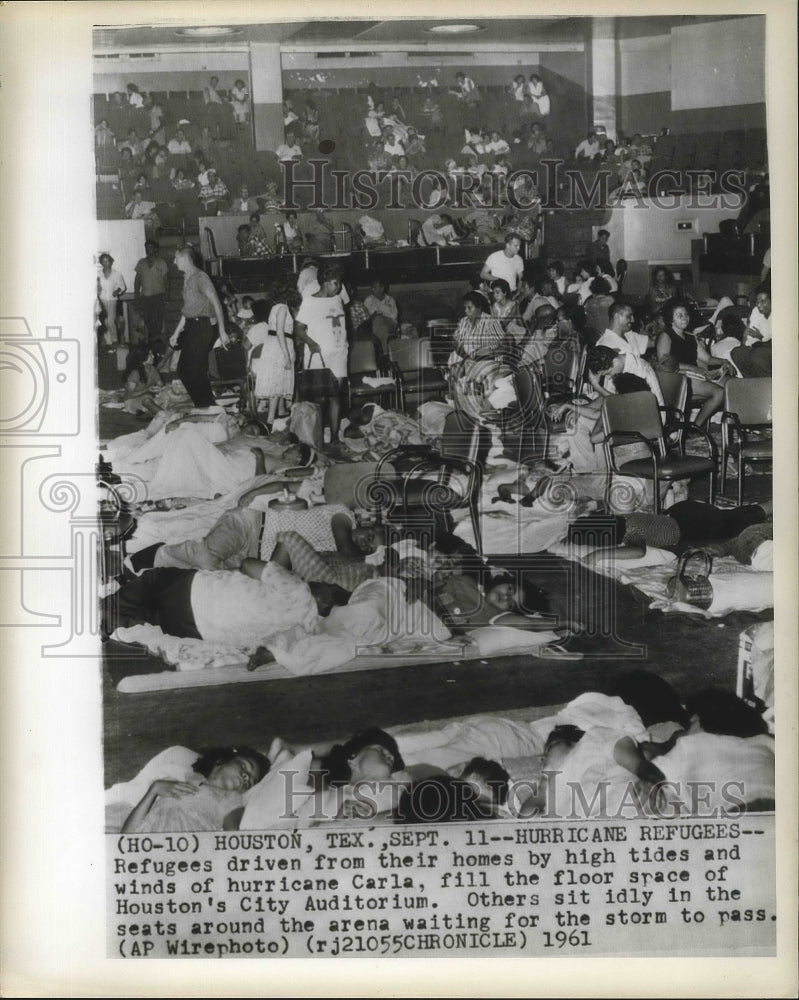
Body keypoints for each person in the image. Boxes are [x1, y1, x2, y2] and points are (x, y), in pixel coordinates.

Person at [121, 746, 270, 834]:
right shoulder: (173, 782)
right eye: (244, 766)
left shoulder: (231, 797)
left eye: (250, 781)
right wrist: (153, 790)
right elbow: (125, 838)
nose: (246, 776)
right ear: (221, 762)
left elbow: (233, 838)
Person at [169, 245, 230, 408]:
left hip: (202, 327)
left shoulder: (201, 277)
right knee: (183, 370)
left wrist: (223, 331)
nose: (174, 263)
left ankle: (207, 406)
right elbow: (188, 309)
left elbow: (217, 303)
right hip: (192, 326)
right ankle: (204, 405)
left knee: (194, 371)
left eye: (176, 259)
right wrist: (176, 332)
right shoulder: (187, 278)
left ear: (183, 258)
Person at [294, 262, 349, 439]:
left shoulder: (338, 299)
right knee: (319, 399)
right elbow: (298, 328)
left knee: (335, 396)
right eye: (335, 283)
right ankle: (316, 437)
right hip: (319, 356)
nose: (339, 287)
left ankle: (334, 438)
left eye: (340, 283)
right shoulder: (310, 302)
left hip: (339, 354)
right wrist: (310, 342)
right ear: (325, 282)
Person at [656, 299, 724, 426]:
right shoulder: (666, 336)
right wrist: (694, 369)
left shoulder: (691, 337)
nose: (684, 318)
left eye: (686, 314)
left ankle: (695, 426)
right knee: (719, 393)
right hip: (677, 378)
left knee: (729, 386)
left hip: (693, 376)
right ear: (671, 319)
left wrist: (724, 362)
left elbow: (708, 359)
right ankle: (696, 426)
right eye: (679, 315)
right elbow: (665, 364)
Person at [245, 284, 298, 425]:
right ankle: (270, 419)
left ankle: (280, 411)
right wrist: (286, 355)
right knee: (278, 381)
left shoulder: (275, 308)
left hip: (275, 344)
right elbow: (280, 331)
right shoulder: (283, 308)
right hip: (280, 346)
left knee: (279, 379)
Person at [133, 240, 169, 352]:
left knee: (158, 320)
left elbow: (166, 280)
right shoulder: (141, 263)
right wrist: (136, 294)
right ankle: (153, 342)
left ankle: (156, 344)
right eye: (146, 247)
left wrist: (167, 293)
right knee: (148, 319)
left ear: (155, 249)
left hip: (158, 296)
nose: (148, 250)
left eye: (150, 247)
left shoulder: (162, 262)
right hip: (145, 297)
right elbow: (137, 279)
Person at [730, 283, 772, 377]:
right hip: (758, 346)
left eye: (763, 301)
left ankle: (768, 384)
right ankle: (752, 383)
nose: (759, 305)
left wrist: (761, 337)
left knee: (758, 355)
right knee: (737, 353)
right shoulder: (756, 311)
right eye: (757, 301)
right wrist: (743, 346)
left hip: (774, 348)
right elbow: (747, 333)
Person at [121, 344, 163, 416]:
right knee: (146, 399)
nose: (153, 356)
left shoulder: (153, 369)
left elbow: (160, 384)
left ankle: (153, 412)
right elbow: (129, 395)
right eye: (150, 355)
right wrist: (147, 390)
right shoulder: (135, 373)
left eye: (152, 354)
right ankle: (164, 415)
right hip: (132, 401)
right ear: (142, 358)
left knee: (168, 394)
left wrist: (159, 387)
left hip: (149, 397)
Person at [97, 253, 127, 349]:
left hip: (112, 300)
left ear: (111, 262)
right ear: (101, 263)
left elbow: (122, 286)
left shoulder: (117, 274)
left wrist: (117, 291)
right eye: (104, 261)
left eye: (108, 261)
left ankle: (114, 340)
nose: (106, 263)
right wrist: (97, 288)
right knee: (104, 322)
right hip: (102, 300)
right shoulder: (98, 274)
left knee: (110, 321)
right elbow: (95, 286)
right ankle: (107, 342)